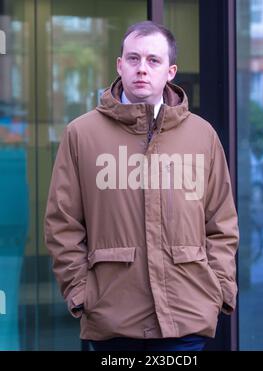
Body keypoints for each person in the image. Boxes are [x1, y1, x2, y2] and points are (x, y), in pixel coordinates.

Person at [44, 20, 239, 352]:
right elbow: (63, 223)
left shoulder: (202, 135)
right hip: (112, 317)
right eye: (133, 59)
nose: (142, 69)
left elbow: (221, 223)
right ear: (120, 65)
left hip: (188, 316)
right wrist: (81, 293)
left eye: (153, 60)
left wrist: (218, 289)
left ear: (171, 71)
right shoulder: (81, 134)